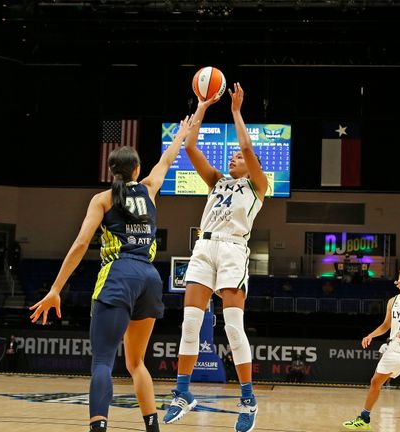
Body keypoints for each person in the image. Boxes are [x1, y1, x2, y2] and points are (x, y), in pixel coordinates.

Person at [29, 114, 199, 432]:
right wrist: (182, 134)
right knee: (136, 363)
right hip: (150, 279)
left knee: (103, 361)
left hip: (119, 275)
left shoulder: (103, 199)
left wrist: (55, 289)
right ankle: (152, 427)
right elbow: (167, 159)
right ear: (136, 170)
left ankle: (98, 427)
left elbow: (81, 244)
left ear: (112, 171)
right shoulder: (149, 189)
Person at [163, 83, 268, 432]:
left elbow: (247, 146)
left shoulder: (257, 185)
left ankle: (248, 400)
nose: (233, 158)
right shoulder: (216, 181)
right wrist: (203, 105)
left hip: (233, 250)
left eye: (237, 158)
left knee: (234, 328)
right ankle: (182, 393)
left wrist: (236, 112)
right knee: (190, 323)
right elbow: (190, 145)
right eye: (232, 157)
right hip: (203, 247)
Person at [342, 266, 400, 431]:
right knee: (375, 381)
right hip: (394, 348)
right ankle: (364, 418)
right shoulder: (392, 301)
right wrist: (370, 335)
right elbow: (386, 325)